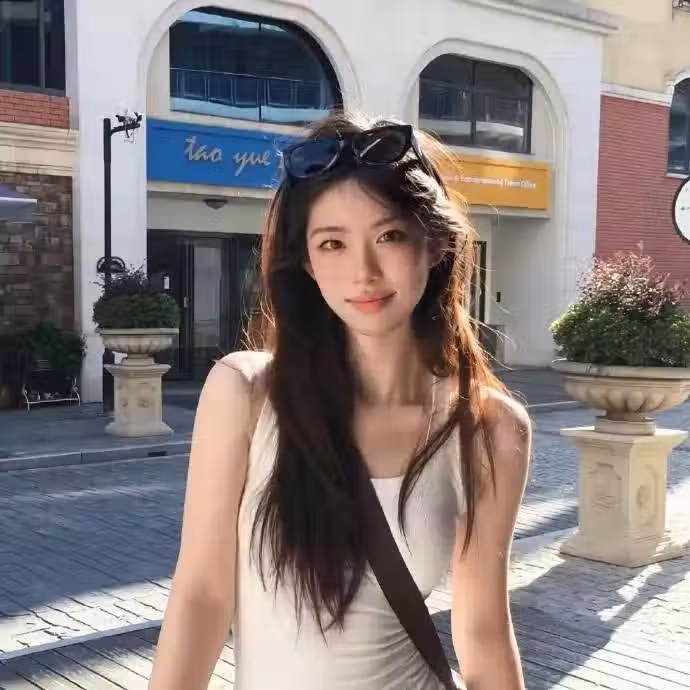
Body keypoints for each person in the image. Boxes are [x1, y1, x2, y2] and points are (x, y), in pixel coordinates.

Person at [148, 112, 531, 690]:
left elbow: (483, 632)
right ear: (307, 263)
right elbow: (201, 595)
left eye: (389, 236)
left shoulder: (489, 427)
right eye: (333, 243)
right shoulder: (247, 393)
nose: (364, 272)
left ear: (434, 244)